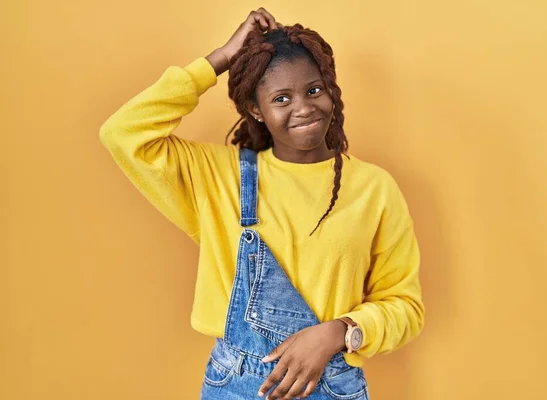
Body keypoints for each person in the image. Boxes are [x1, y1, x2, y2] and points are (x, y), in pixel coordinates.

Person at [100, 8, 424, 400]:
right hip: (236, 383)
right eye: (281, 98)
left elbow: (406, 306)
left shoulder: (375, 189)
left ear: (331, 91)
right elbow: (122, 133)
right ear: (257, 110)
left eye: (314, 90)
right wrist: (219, 58)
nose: (303, 107)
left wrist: (339, 332)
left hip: (333, 385)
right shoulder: (219, 178)